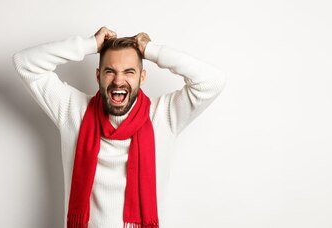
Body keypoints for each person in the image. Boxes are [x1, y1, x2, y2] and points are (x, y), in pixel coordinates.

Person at [12, 26, 226, 228]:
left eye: (129, 72)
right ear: (98, 76)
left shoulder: (164, 115)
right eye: (110, 71)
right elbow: (24, 63)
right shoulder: (73, 110)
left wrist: (151, 50)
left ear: (142, 77)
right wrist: (89, 45)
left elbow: (213, 81)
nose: (118, 80)